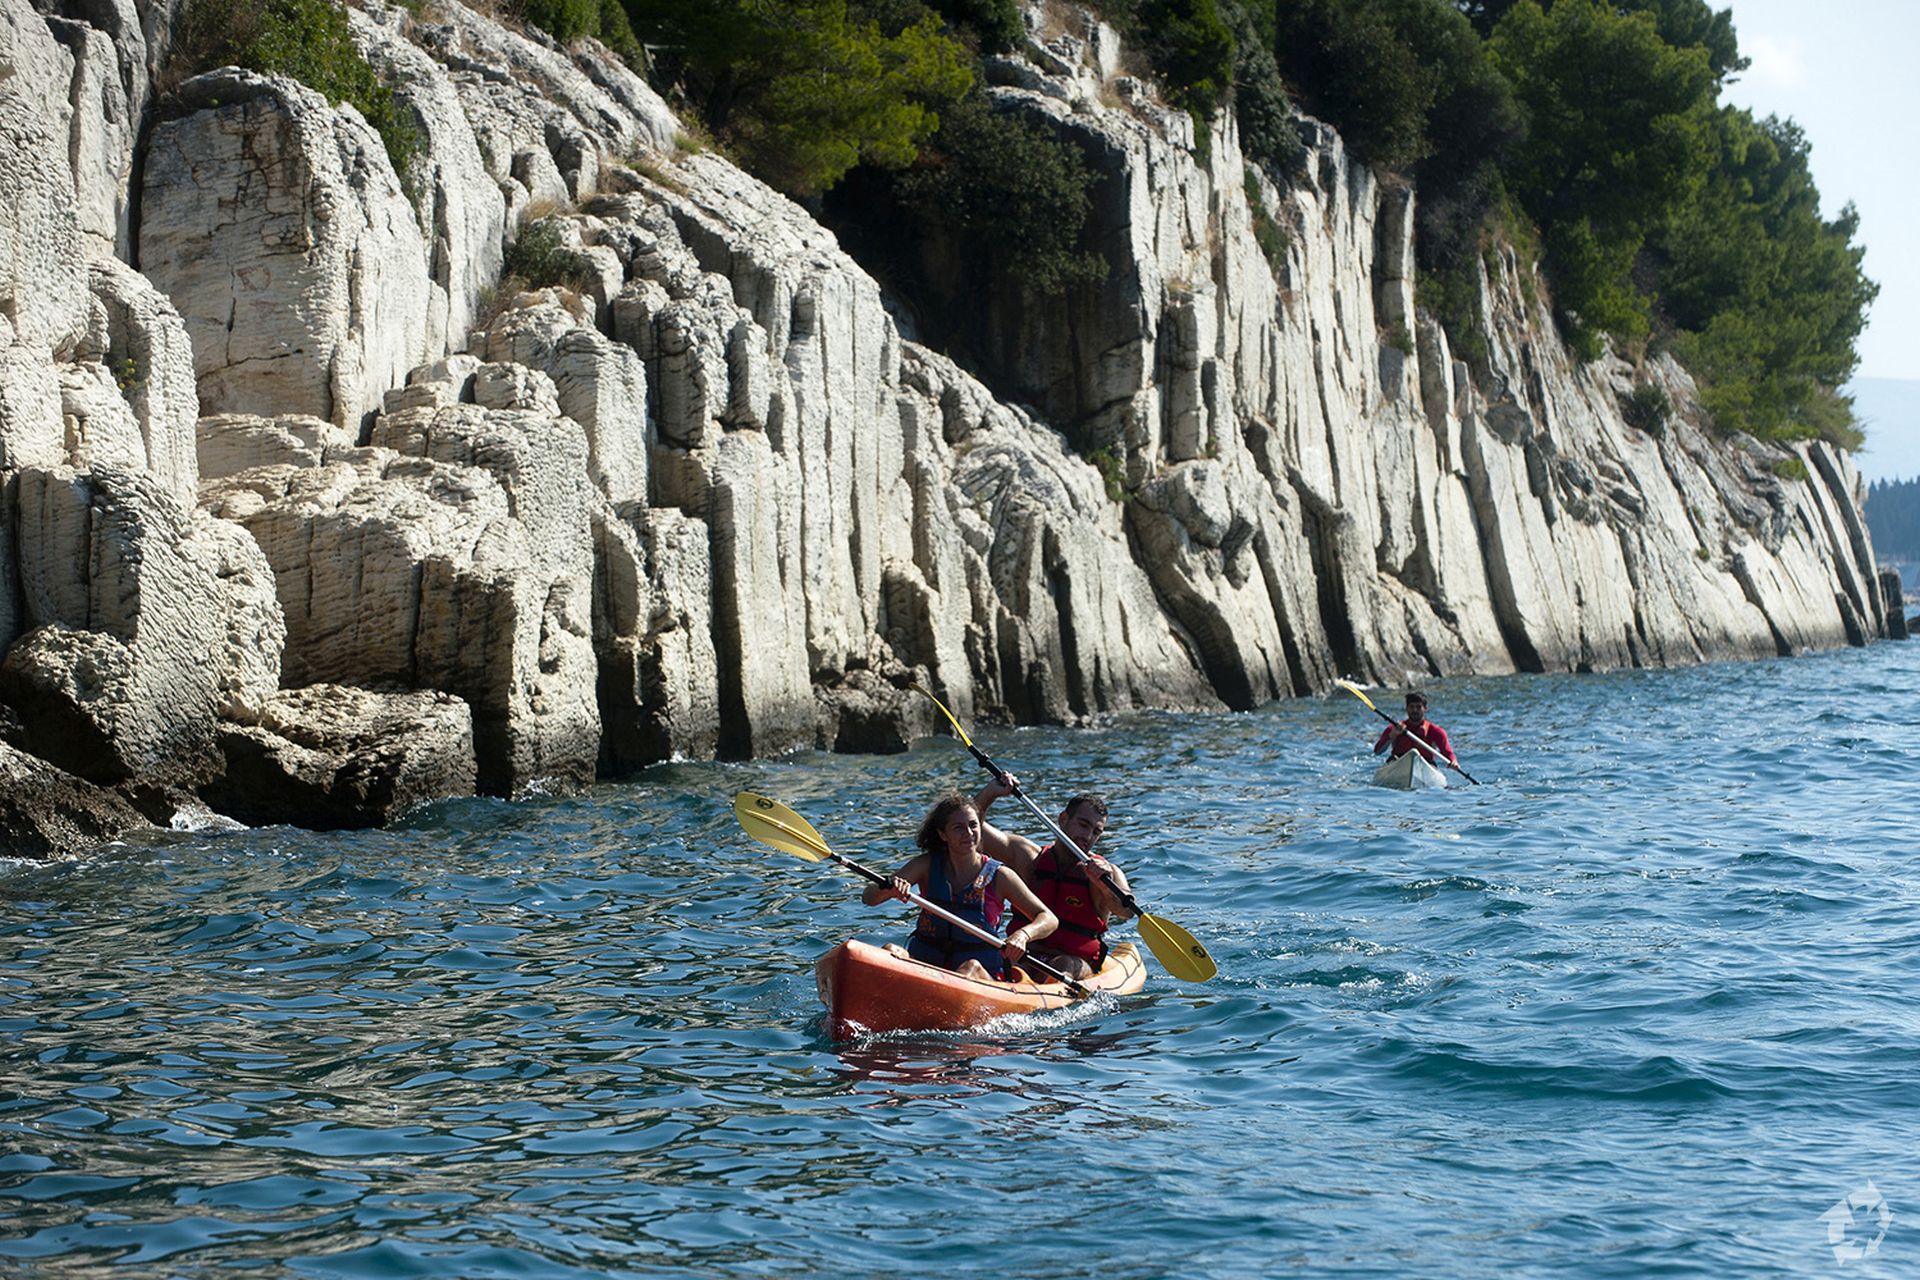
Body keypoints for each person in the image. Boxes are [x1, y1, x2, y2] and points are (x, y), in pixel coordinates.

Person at [865, 793, 1058, 981]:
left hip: (979, 974)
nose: (968, 833)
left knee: (970, 967)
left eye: (973, 825)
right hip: (927, 964)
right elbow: (869, 897)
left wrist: (1023, 935)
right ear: (943, 834)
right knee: (891, 950)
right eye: (958, 828)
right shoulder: (925, 866)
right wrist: (889, 889)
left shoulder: (1000, 876)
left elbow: (1048, 918)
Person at [971, 774, 1135, 981]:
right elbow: (971, 832)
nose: (1088, 837)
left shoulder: (1106, 872)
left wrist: (1104, 886)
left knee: (1064, 965)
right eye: (1083, 825)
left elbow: (1126, 911)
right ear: (1063, 819)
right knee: (991, 963)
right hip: (1023, 954)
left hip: (1074, 962)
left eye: (1096, 832)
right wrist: (990, 793)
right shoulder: (1028, 857)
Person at [1373, 690, 1458, 768]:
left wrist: (1453, 761)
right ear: (1406, 708)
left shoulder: (1436, 731)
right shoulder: (1394, 728)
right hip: (1398, 762)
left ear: (1425, 708)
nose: (1415, 710)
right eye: (1411, 707)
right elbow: (1378, 751)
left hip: (1426, 764)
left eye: (1418, 707)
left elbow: (1448, 753)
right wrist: (1392, 735)